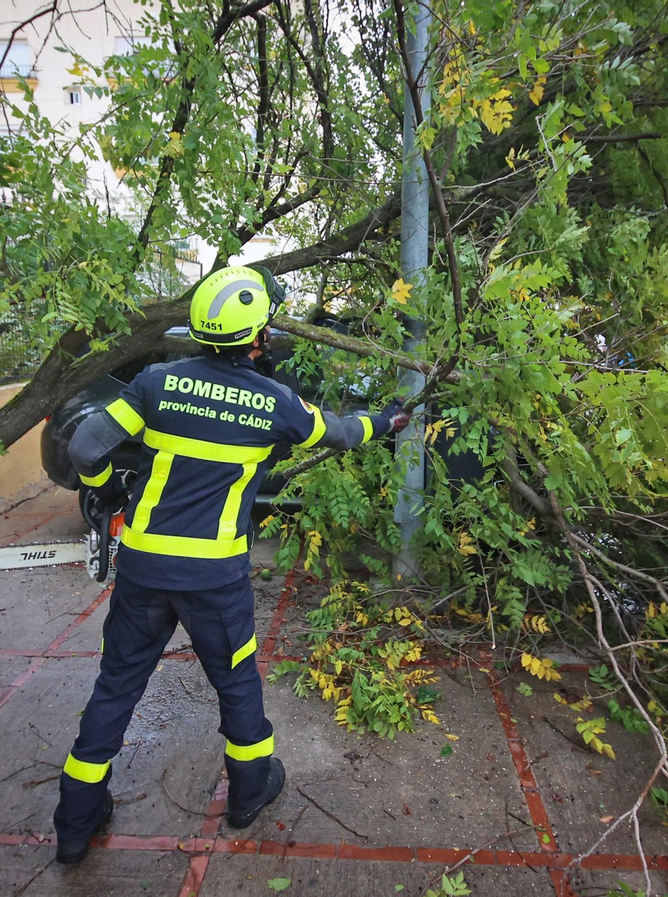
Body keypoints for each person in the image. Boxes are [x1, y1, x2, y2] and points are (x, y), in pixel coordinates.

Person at [53, 264, 412, 865]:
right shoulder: (277, 403)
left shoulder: (155, 382)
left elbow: (86, 446)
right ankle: (249, 793)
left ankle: (74, 822)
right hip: (213, 578)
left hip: (143, 569)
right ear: (257, 338)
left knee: (116, 687)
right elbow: (344, 432)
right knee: (237, 682)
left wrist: (104, 490)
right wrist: (392, 419)